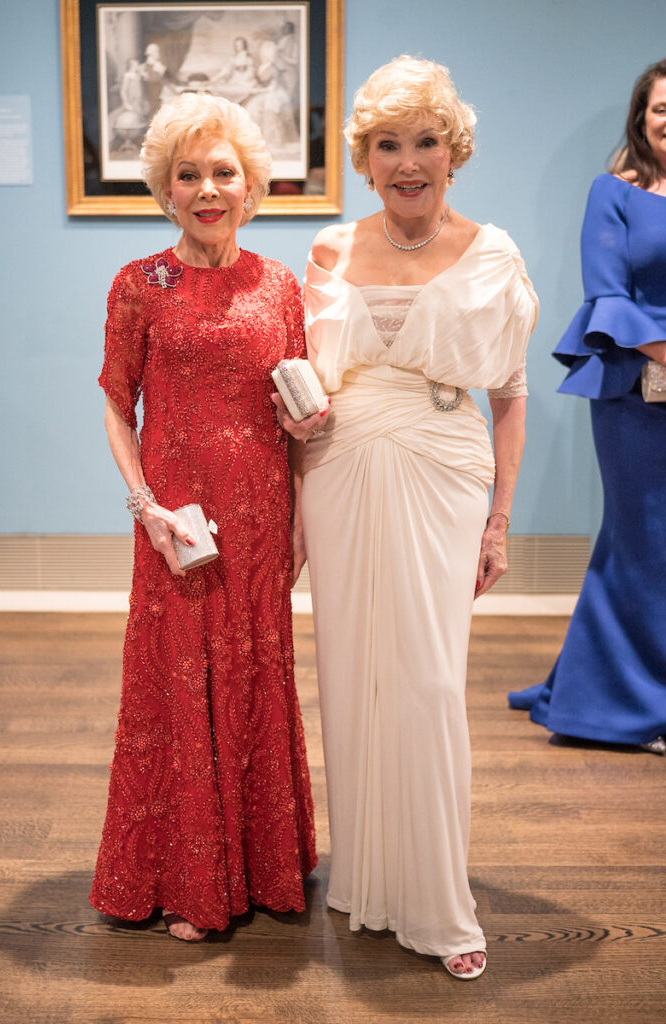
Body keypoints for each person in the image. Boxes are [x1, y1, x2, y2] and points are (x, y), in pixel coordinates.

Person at [276, 56, 538, 979]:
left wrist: (500, 522)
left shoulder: (494, 252)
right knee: (351, 675)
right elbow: (304, 386)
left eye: (425, 141)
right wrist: (296, 471)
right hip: (338, 467)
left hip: (442, 464)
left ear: (454, 152)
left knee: (426, 681)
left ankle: (438, 903)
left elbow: (508, 397)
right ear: (366, 158)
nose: (407, 160)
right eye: (388, 144)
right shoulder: (328, 250)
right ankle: (370, 881)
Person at [89, 92, 321, 943]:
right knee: (178, 677)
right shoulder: (137, 285)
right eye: (188, 175)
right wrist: (145, 506)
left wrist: (300, 512)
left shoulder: (280, 285)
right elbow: (119, 407)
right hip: (176, 519)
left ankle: (263, 863)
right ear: (165, 190)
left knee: (258, 670)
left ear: (252, 186)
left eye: (224, 172)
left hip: (261, 512)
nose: (208, 189)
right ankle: (188, 878)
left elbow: (295, 407)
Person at [509, 59, 666, 755]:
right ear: (642, 117)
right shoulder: (616, 192)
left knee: (635, 548)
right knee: (647, 546)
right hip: (638, 390)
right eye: (662, 107)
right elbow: (608, 293)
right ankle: (639, 707)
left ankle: (588, 687)